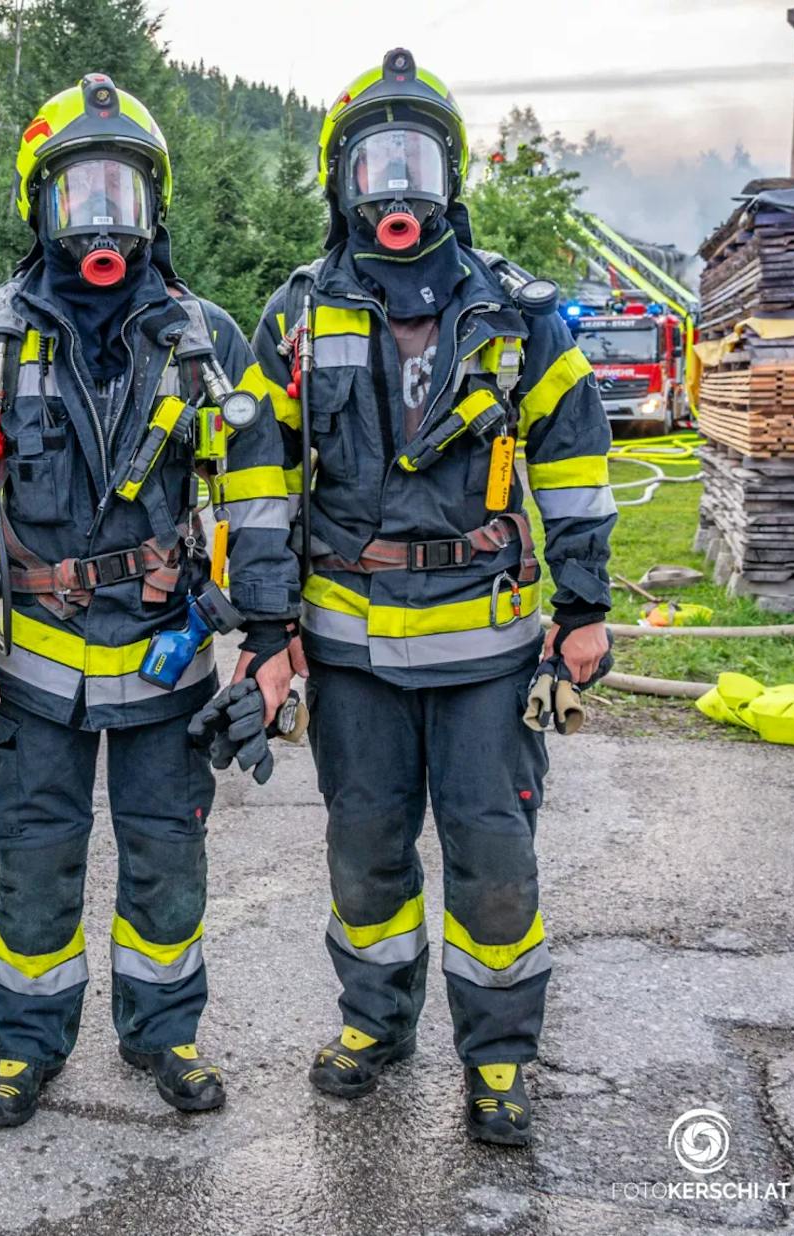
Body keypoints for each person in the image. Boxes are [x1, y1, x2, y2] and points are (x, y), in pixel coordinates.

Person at [241, 49, 615, 1147]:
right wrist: (266, 630)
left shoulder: (515, 315)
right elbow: (257, 488)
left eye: (414, 163)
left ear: (450, 177)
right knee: (364, 851)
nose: (394, 189)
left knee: (492, 860)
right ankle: (374, 1027)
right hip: (348, 651)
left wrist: (582, 610)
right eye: (373, 163)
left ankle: (497, 1059)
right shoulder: (298, 315)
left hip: (488, 655)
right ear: (340, 181)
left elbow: (576, 466)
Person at [0, 74, 299, 1128]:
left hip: (168, 661)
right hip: (30, 667)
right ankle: (25, 1046)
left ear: (150, 209)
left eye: (119, 194)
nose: (99, 219)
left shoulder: (203, 339)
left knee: (166, 862)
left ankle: (162, 1035)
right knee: (32, 862)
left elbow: (259, 495)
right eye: (76, 192)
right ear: (36, 205)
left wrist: (271, 638)